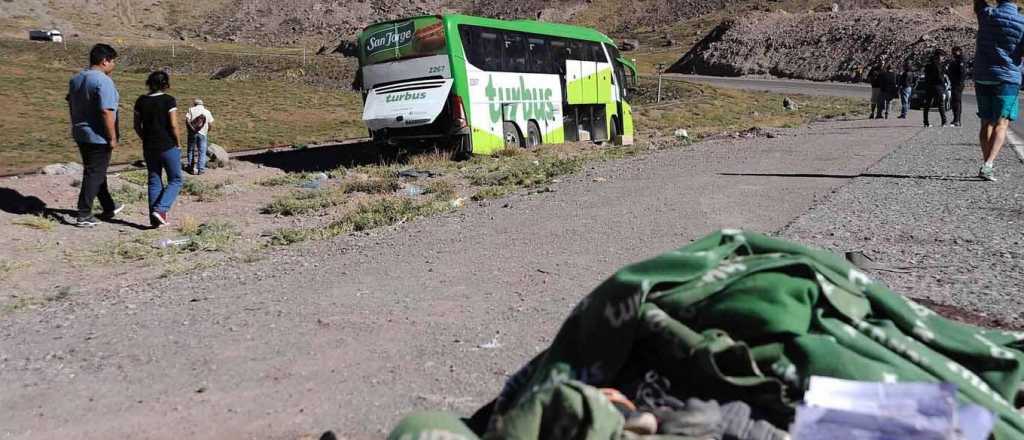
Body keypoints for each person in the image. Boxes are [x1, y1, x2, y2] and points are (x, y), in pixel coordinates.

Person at [67, 44, 123, 227]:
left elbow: (70, 101)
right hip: (98, 134)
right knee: (94, 172)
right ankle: (83, 213)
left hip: (81, 131)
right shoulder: (103, 81)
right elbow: (107, 111)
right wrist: (112, 136)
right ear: (104, 60)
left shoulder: (76, 78)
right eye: (112, 61)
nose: (113, 64)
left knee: (97, 171)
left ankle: (109, 206)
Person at [973, 0, 1024, 181]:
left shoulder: (986, 14)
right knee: (1001, 123)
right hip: (1008, 78)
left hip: (982, 75)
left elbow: (977, 3)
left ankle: (986, 164)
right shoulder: (1022, 22)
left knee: (986, 122)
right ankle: (988, 165)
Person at [133, 71, 182, 227]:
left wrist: (145, 138)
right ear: (165, 84)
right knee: (176, 179)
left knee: (154, 180)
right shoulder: (169, 100)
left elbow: (136, 125)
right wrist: (178, 142)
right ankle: (161, 209)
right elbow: (173, 125)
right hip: (167, 144)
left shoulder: (141, 101)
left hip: (149, 146)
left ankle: (155, 220)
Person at [185, 98, 214, 175]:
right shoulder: (207, 112)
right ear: (202, 104)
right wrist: (207, 131)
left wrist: (191, 129)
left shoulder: (191, 109)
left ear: (195, 104)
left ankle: (191, 168)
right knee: (202, 152)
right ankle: (200, 169)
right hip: (203, 134)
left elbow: (187, 120)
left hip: (192, 133)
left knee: (191, 150)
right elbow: (210, 124)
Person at [922, 50, 949, 128]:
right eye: (942, 56)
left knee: (927, 105)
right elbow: (940, 77)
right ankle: (944, 122)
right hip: (937, 86)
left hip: (929, 86)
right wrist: (944, 86)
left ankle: (926, 122)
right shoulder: (939, 65)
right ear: (939, 56)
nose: (943, 58)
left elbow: (926, 77)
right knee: (941, 104)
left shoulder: (928, 65)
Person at [947, 46, 968, 127]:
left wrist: (959, 82)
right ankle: (955, 119)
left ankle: (957, 120)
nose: (953, 53)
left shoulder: (961, 61)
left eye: (954, 51)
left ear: (958, 51)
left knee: (957, 102)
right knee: (954, 101)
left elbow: (962, 73)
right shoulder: (956, 60)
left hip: (957, 84)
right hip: (954, 83)